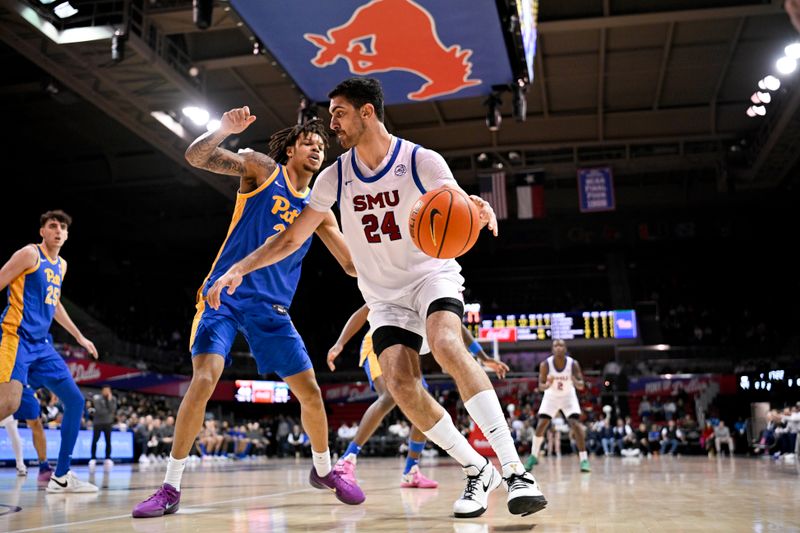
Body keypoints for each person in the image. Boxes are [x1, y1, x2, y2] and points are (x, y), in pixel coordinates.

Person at [207, 78, 546, 518]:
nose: (332, 123)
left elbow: (456, 201)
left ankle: (516, 471)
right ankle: (476, 468)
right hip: (383, 295)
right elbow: (291, 238)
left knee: (445, 344)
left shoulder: (419, 159)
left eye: (339, 112)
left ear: (367, 112)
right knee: (401, 385)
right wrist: (240, 266)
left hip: (429, 277)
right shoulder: (335, 177)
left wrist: (475, 207)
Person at [132, 108, 361, 519]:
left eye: (322, 146)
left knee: (310, 391)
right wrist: (223, 130)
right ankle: (170, 486)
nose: (317, 149)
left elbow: (350, 265)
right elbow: (196, 158)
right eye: (310, 142)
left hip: (272, 310)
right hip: (225, 294)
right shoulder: (263, 169)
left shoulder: (319, 209)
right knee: (205, 378)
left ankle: (324, 470)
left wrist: (400, 260)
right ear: (291, 149)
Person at [327, 303, 510, 490]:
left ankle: (411, 471)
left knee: (424, 406)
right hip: (378, 342)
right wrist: (340, 343)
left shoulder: (433, 295)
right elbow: (363, 311)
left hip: (405, 349)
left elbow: (460, 328)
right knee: (390, 395)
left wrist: (484, 358)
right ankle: (347, 460)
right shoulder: (398, 285)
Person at [0, 210, 99, 493]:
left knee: (76, 401)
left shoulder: (62, 266)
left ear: (67, 235)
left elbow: (54, 305)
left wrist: (79, 336)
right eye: (52, 226)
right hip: (14, 337)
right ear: (42, 231)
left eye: (62, 227)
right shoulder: (30, 254)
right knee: (9, 404)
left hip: (42, 345)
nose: (58, 230)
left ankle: (62, 476)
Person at [526, 339, 591, 472]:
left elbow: (581, 385)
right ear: (552, 349)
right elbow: (540, 386)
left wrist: (574, 380)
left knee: (576, 425)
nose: (559, 347)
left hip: (568, 396)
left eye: (561, 345)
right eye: (556, 345)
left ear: (565, 349)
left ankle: (584, 459)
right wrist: (547, 385)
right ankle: (533, 456)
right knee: (542, 424)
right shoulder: (546, 364)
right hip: (551, 396)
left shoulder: (573, 364)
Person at [89, 386, 117, 471]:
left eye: (108, 390)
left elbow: (113, 410)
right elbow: (99, 410)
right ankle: (93, 458)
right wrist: (108, 411)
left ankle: (108, 458)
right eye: (105, 390)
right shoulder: (97, 398)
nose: (107, 392)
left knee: (108, 441)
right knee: (95, 440)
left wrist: (109, 401)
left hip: (108, 423)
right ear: (102, 390)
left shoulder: (113, 399)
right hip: (98, 422)